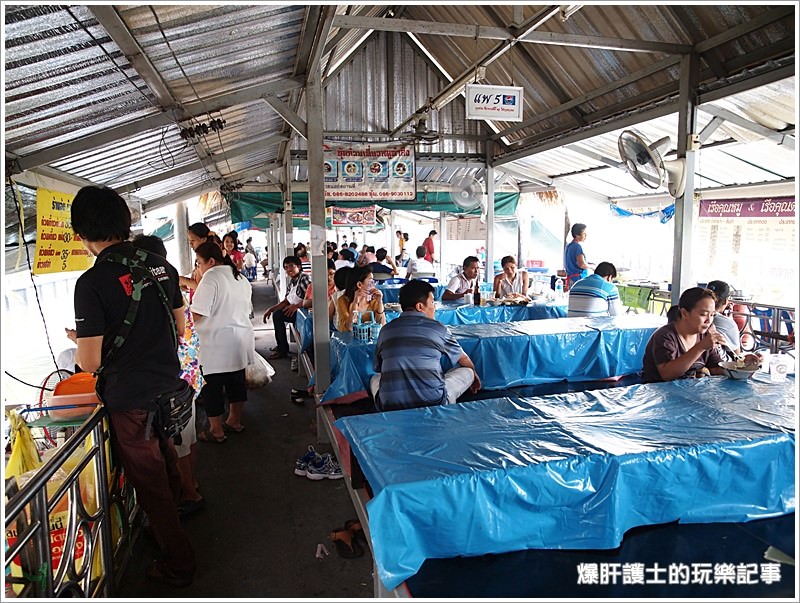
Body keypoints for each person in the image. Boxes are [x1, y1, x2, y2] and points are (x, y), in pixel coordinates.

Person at [68, 185, 195, 587]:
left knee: (149, 481)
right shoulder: (163, 268)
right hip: (167, 387)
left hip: (130, 399)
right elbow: (180, 327)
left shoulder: (92, 282)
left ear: (81, 233)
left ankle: (179, 563)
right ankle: (177, 517)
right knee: (165, 456)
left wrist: (80, 344)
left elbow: (89, 362)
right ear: (126, 223)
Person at [132, 234, 206, 517]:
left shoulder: (153, 292)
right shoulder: (174, 285)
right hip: (189, 377)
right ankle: (192, 483)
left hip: (174, 381)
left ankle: (190, 493)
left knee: (180, 444)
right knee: (189, 438)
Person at [369, 279, 481, 411]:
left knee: (375, 378)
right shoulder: (439, 329)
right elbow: (463, 359)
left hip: (390, 406)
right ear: (420, 307)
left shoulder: (386, 330)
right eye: (432, 302)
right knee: (467, 371)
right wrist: (474, 374)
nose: (434, 307)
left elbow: (378, 368)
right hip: (434, 403)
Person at [191, 242, 254, 442]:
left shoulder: (211, 277)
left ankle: (216, 430)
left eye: (199, 263)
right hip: (239, 339)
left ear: (210, 261)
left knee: (212, 388)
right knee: (236, 383)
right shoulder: (240, 277)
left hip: (215, 344)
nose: (198, 268)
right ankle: (234, 421)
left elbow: (198, 314)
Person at [641, 287, 728, 383]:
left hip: (687, 392)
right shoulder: (665, 336)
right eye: (703, 314)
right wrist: (700, 347)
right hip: (657, 393)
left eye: (712, 315)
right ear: (684, 313)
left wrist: (741, 367)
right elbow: (667, 374)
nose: (709, 321)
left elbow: (715, 368)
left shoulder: (704, 336)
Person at [263, 256, 311, 359]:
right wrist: (272, 309)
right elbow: (286, 301)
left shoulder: (304, 279)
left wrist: (296, 306)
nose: (288, 269)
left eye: (291, 266)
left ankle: (282, 349)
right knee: (277, 314)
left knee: (278, 315)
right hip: (295, 311)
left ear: (298, 266)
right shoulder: (292, 282)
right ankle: (281, 346)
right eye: (286, 267)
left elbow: (312, 299)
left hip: (304, 314)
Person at [333, 266, 386, 332]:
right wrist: (355, 302)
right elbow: (350, 327)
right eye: (371, 281)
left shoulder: (374, 300)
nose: (374, 284)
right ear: (359, 284)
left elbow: (382, 325)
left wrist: (380, 302)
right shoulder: (343, 301)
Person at [705, 280, 741, 357]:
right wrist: (729, 321)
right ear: (725, 301)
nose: (708, 320)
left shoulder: (695, 318)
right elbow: (737, 355)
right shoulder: (729, 324)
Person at [564, 223, 591, 290]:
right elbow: (581, 264)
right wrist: (592, 267)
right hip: (577, 280)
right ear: (577, 235)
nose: (586, 235)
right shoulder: (577, 247)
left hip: (571, 279)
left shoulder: (569, 246)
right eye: (584, 233)